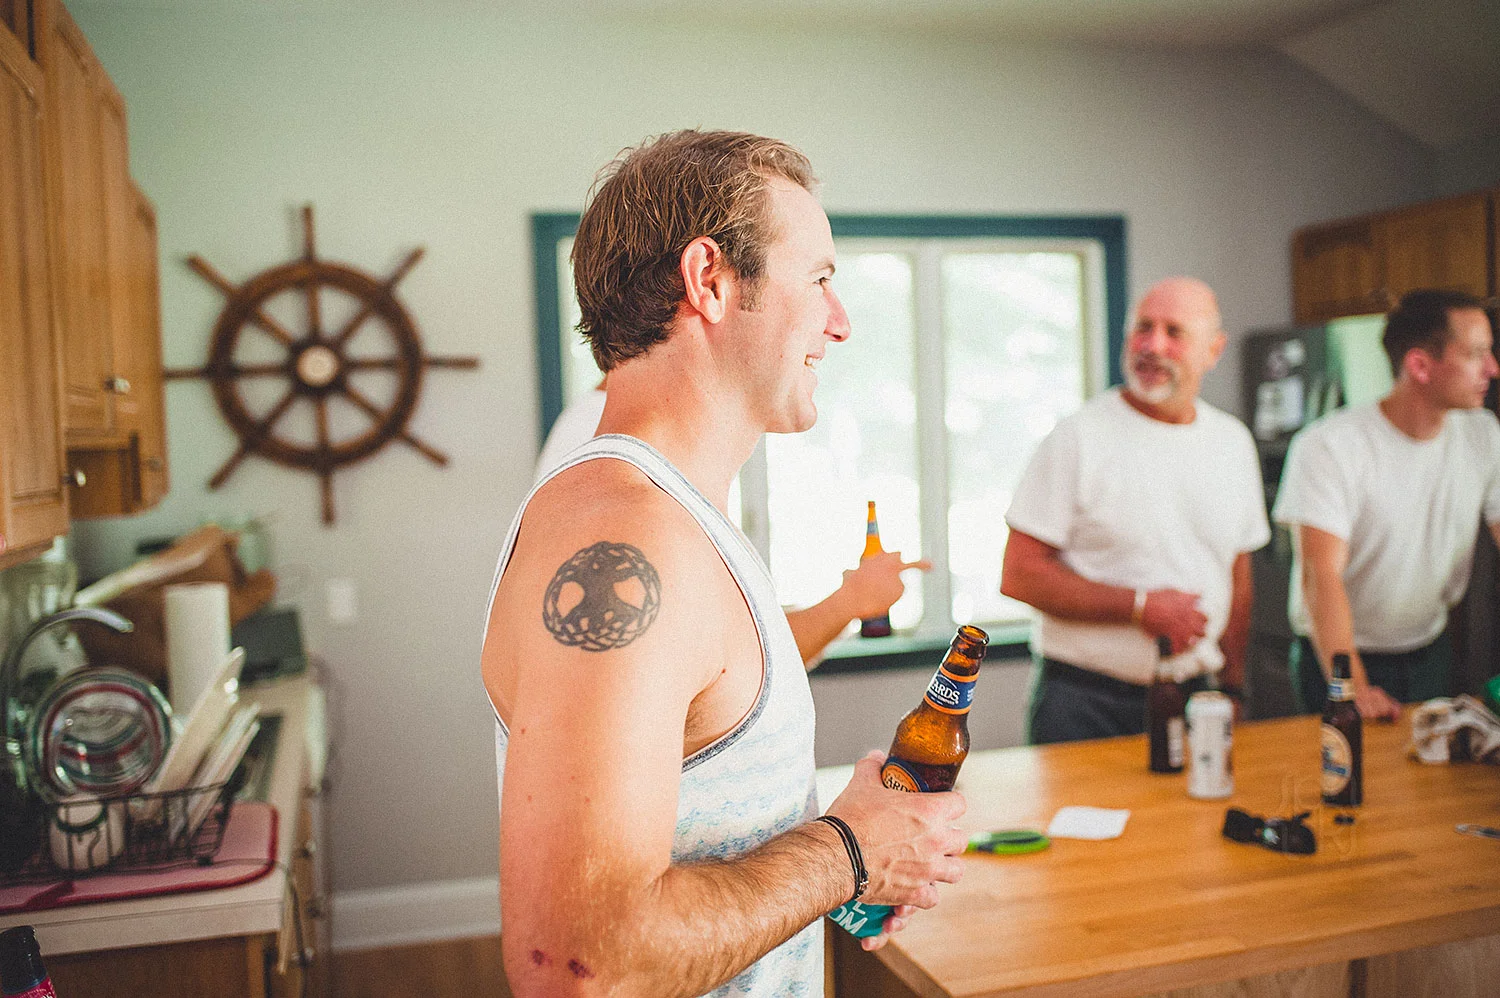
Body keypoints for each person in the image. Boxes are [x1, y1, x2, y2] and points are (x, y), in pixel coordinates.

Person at [480, 130, 967, 998]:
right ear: (709, 280)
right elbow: (580, 965)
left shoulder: (679, 516)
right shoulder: (629, 540)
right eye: (817, 279)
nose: (841, 321)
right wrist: (850, 852)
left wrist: (845, 867)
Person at [1000, 277, 1270, 744]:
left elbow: (1237, 576)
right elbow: (1019, 574)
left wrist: (1233, 686)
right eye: (1143, 327)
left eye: (1174, 332)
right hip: (1084, 703)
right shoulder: (1077, 436)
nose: (1152, 345)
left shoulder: (1233, 442)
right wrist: (1138, 607)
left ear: (1213, 350)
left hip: (1197, 696)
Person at [535, 382, 931, 668]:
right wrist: (851, 601)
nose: (836, 327)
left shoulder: (634, 441)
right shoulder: (615, 443)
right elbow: (712, 658)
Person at [1273, 289, 1500, 720]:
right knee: (1348, 763)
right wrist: (1355, 689)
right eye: (1476, 354)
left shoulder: (1483, 435)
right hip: (1338, 654)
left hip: (1430, 650)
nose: (1493, 368)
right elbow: (1321, 576)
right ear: (1420, 365)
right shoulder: (1328, 446)